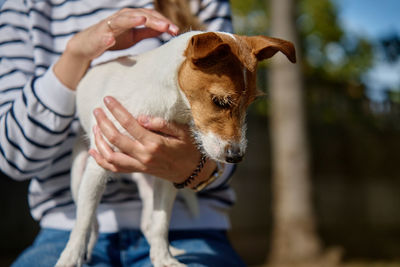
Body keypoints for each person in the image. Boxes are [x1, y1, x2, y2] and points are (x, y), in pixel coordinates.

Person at [0, 0, 245, 266]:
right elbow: (13, 158)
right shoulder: (21, 5)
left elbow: (228, 140)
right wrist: (75, 55)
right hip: (65, 224)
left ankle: (157, 245)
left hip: (187, 227)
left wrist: (190, 166)